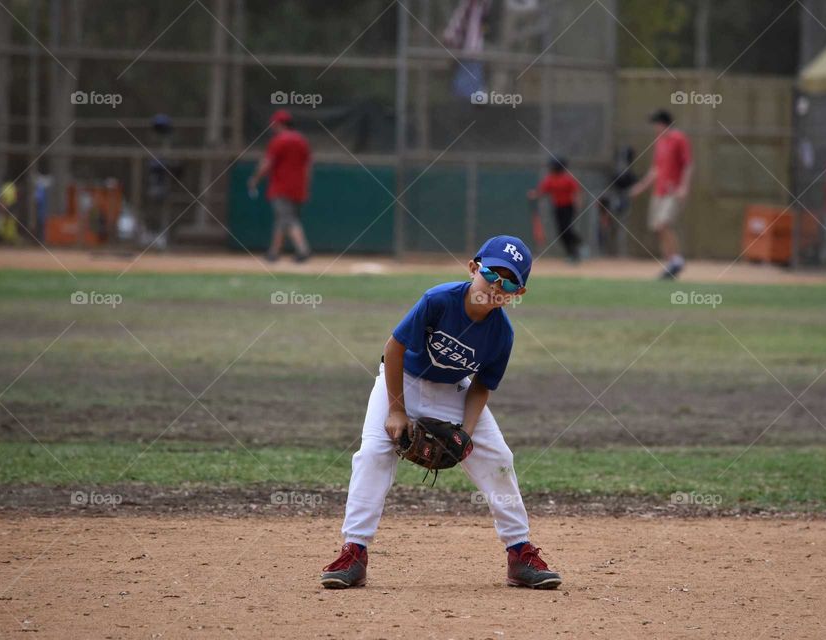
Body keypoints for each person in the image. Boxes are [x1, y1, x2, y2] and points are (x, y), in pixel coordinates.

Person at [320, 235, 562, 590]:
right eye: (493, 273)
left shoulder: (502, 333)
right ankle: (354, 552)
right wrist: (397, 411)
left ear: (517, 293)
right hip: (401, 381)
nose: (497, 285)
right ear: (473, 267)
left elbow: (482, 384)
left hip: (455, 390)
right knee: (373, 454)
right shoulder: (439, 300)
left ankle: (519, 552)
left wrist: (465, 430)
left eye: (510, 281)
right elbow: (393, 349)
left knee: (498, 458)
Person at [628, 109, 693, 279]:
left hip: (673, 191)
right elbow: (656, 169)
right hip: (659, 191)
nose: (654, 127)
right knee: (658, 227)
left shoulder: (678, 138)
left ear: (663, 124)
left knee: (663, 223)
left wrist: (684, 187)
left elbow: (688, 164)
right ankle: (671, 263)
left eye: (656, 124)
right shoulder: (659, 142)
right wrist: (641, 186)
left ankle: (677, 260)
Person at [248, 109, 312, 262]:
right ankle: (274, 252)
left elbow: (267, 163)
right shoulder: (302, 140)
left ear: (279, 124)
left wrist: (255, 179)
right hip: (299, 187)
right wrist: (306, 185)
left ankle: (303, 249)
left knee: (288, 219)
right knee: (283, 219)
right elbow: (308, 166)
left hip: (281, 187)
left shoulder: (279, 140)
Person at [527, 157, 582, 263]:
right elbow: (542, 191)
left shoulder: (567, 179)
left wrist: (578, 203)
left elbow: (577, 191)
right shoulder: (550, 179)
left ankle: (576, 245)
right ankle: (572, 251)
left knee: (566, 228)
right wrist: (534, 194)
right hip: (558, 207)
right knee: (561, 231)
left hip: (568, 207)